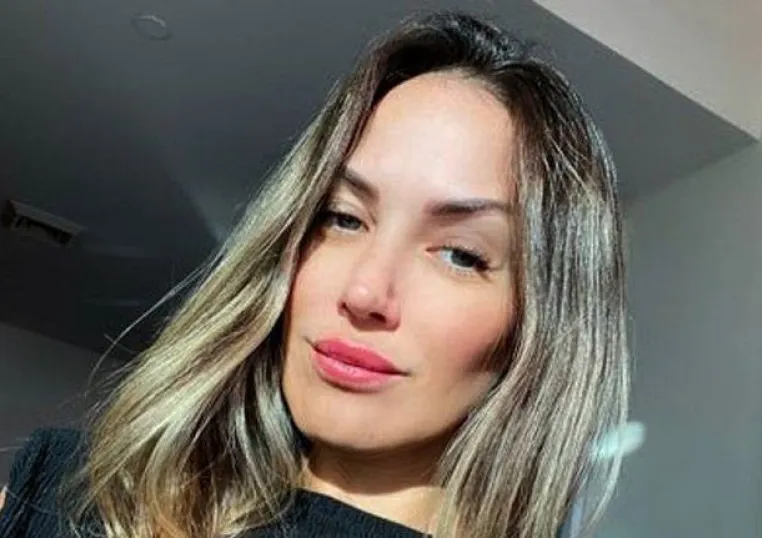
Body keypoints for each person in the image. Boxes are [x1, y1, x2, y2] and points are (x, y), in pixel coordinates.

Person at [0, 10, 629, 538]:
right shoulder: (68, 500)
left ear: (540, 327)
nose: (364, 291)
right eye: (342, 217)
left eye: (461, 254)